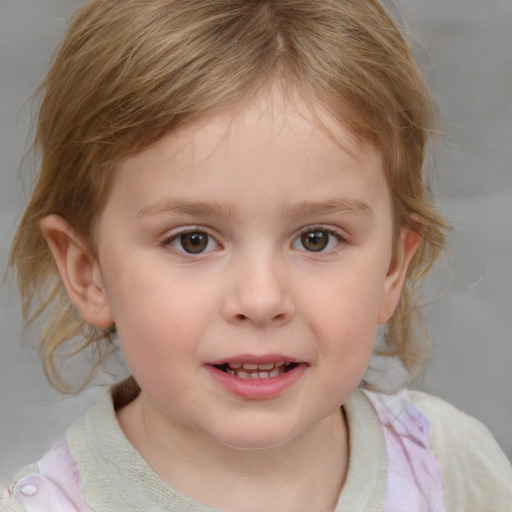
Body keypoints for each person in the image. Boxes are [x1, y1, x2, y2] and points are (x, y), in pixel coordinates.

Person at [4, 0, 512, 510]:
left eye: (317, 238)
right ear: (86, 271)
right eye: (193, 240)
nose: (262, 299)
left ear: (392, 269)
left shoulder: (451, 470)